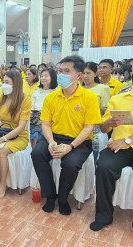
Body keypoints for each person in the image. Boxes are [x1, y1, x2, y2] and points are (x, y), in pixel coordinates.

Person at [90, 65, 133, 245]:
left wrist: (127, 140)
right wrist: (109, 123)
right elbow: (103, 128)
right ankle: (104, 216)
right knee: (104, 166)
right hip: (119, 147)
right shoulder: (119, 99)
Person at [31, 55, 101, 215]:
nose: (61, 74)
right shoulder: (51, 97)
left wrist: (71, 146)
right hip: (54, 136)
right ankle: (50, 195)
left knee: (70, 164)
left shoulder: (89, 98)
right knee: (36, 154)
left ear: (78, 75)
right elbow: (46, 124)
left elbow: (89, 127)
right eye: (60, 70)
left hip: (79, 141)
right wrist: (50, 141)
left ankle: (62, 199)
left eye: (66, 71)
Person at [0, 70, 31, 200]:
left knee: (1, 152)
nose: (3, 85)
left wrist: (2, 139)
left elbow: (21, 127)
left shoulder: (25, 100)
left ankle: (2, 185)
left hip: (19, 136)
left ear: (15, 84)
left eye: (7, 82)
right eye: (3, 81)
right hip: (1, 132)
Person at [30, 68, 57, 148]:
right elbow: (31, 107)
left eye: (46, 76)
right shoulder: (36, 92)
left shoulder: (56, 93)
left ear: (52, 77)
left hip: (49, 120)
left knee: (37, 136)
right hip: (35, 120)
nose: (43, 78)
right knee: (33, 135)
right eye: (41, 76)